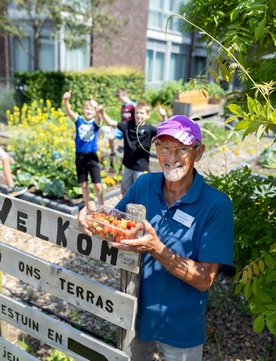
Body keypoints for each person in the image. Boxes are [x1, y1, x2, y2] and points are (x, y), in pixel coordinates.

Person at [79, 115, 234, 361]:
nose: (171, 158)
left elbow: (205, 280)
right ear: (156, 149)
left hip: (181, 326)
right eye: (164, 147)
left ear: (199, 152)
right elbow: (113, 223)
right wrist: (90, 216)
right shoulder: (145, 184)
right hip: (135, 315)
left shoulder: (216, 205)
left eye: (182, 149)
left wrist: (155, 247)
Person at [97, 101, 167, 196]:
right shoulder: (127, 125)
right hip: (128, 166)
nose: (138, 115)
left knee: (138, 192)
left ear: (147, 115)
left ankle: (136, 209)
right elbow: (111, 122)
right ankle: (124, 208)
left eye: (141, 113)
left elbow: (165, 131)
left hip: (140, 168)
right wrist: (102, 112)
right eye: (136, 112)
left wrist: (164, 117)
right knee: (124, 189)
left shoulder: (149, 129)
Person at [62, 91, 104, 206]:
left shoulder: (95, 123)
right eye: (87, 109)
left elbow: (99, 119)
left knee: (97, 185)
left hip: (92, 157)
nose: (89, 111)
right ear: (83, 110)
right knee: (84, 185)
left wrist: (99, 111)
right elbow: (69, 111)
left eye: (92, 109)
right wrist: (66, 100)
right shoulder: (79, 120)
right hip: (80, 157)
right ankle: (87, 206)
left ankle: (101, 206)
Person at [103, 88, 136, 167]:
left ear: (125, 95)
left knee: (128, 145)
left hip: (130, 128)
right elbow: (122, 118)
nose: (120, 100)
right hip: (122, 127)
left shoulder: (133, 105)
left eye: (121, 98)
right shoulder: (123, 106)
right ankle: (113, 153)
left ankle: (128, 159)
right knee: (110, 138)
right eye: (119, 99)